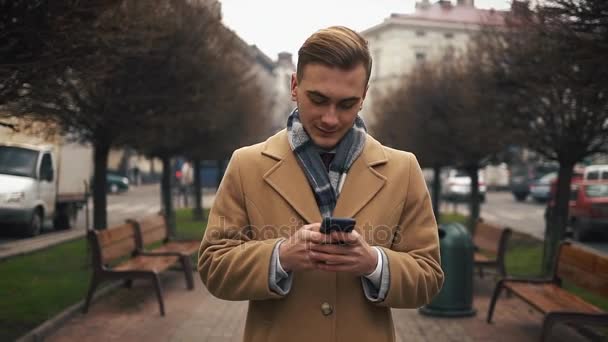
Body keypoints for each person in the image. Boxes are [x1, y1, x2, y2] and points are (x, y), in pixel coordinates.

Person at [198, 26, 444, 342]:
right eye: (318, 99)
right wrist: (281, 255)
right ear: (294, 85)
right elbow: (213, 268)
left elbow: (429, 277)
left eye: (346, 104)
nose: (330, 119)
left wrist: (373, 263)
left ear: (364, 96)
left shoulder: (403, 169)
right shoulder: (246, 165)